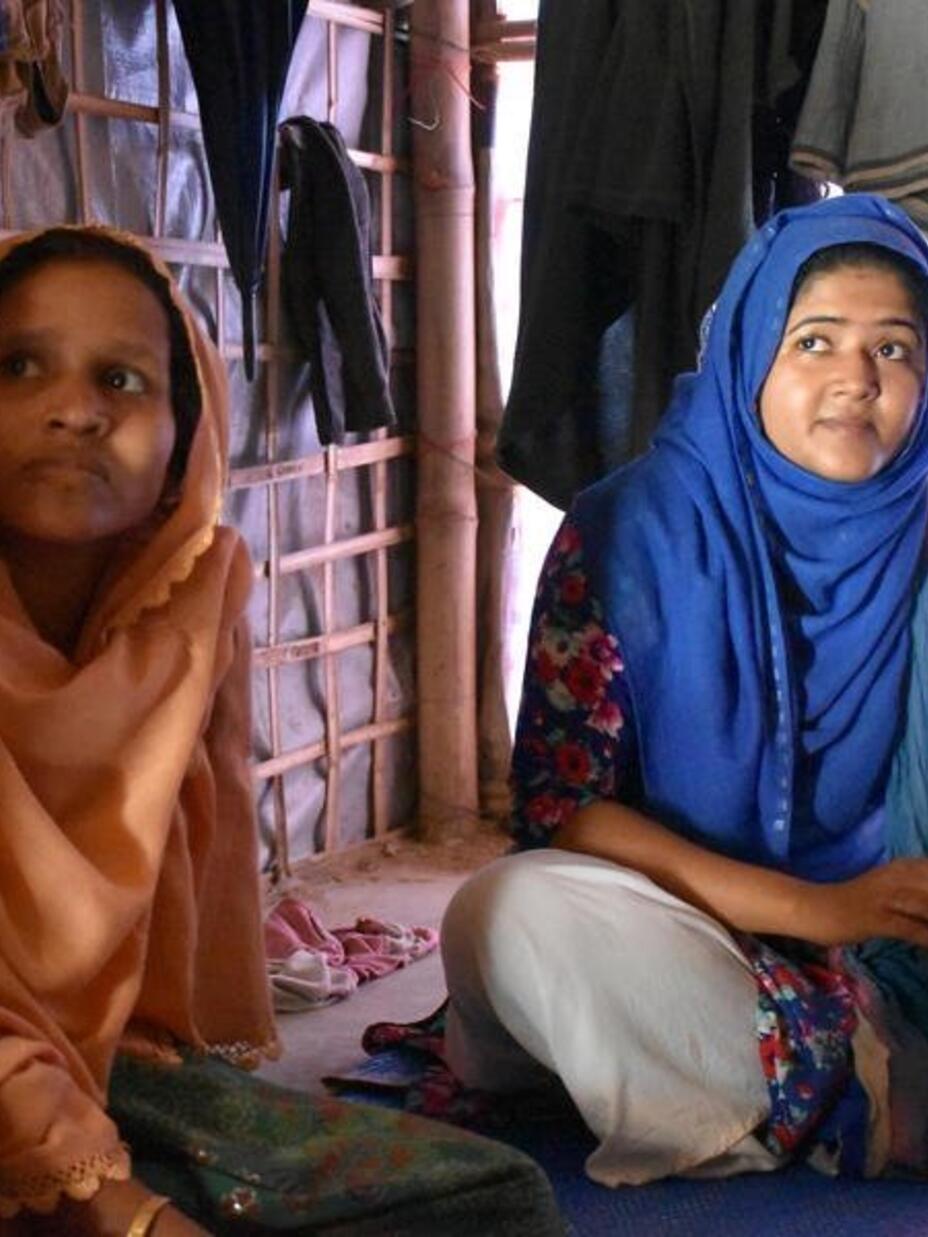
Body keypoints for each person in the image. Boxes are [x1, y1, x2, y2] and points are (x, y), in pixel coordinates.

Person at [0, 226, 563, 1237]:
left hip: (88, 1066)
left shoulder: (190, 601)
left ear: (187, 434)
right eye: (18, 365)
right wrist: (124, 1209)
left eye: (123, 380)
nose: (75, 410)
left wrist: (140, 1063)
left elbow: (188, 887)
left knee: (488, 1202)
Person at [442, 193, 928, 1187]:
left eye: (892, 350)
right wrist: (820, 907)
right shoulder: (632, 532)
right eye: (814, 343)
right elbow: (565, 810)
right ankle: (844, 1093)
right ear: (749, 354)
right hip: (682, 922)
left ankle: (816, 1087)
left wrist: (874, 933)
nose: (853, 380)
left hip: (890, 966)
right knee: (507, 914)